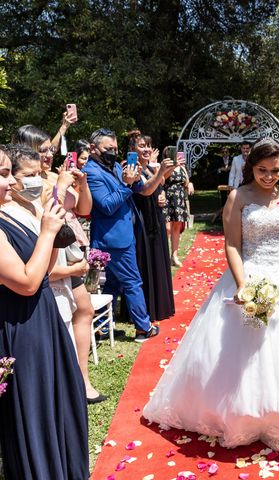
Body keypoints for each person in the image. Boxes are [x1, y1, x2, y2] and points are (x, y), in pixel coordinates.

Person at [143, 138, 279, 469]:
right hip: (252, 276)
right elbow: (232, 245)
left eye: (275, 171)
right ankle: (247, 413)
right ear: (251, 168)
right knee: (250, 350)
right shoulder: (239, 197)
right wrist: (243, 284)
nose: (269, 177)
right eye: (262, 170)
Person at [0, 145, 89, 479]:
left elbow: (43, 262)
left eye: (9, 172)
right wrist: (48, 232)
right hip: (20, 326)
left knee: (61, 400)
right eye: (4, 174)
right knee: (36, 412)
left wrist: (51, 229)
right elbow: (26, 282)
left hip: (42, 315)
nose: (11, 183)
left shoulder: (10, 210)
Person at [14, 127, 104, 402]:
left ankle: (82, 378)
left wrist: (82, 184)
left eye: (50, 150)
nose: (48, 156)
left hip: (70, 247)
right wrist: (61, 186)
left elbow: (84, 209)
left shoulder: (55, 176)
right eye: (42, 151)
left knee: (84, 309)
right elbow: (45, 213)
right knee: (64, 317)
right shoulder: (25, 188)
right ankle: (69, 382)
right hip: (50, 253)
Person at [83, 128, 159, 342]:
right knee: (133, 282)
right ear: (93, 149)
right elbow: (106, 205)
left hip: (125, 233)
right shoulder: (92, 173)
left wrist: (133, 178)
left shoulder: (115, 165)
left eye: (116, 148)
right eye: (109, 149)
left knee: (113, 284)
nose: (113, 152)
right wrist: (125, 184)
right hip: (112, 239)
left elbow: (136, 189)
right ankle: (143, 328)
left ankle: (101, 328)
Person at [128, 132, 176, 321]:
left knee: (158, 260)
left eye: (148, 145)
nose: (147, 149)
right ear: (132, 150)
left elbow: (157, 185)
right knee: (146, 263)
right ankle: (147, 307)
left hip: (155, 217)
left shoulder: (147, 167)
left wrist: (161, 194)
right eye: (142, 146)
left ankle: (160, 305)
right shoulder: (131, 168)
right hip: (142, 221)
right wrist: (161, 173)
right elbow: (145, 190)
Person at [162, 145, 191, 267]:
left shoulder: (182, 168)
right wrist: (174, 165)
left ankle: (174, 256)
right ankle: (164, 255)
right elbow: (163, 179)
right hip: (168, 198)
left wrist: (190, 185)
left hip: (179, 199)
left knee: (176, 228)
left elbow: (186, 182)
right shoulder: (164, 166)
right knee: (167, 228)